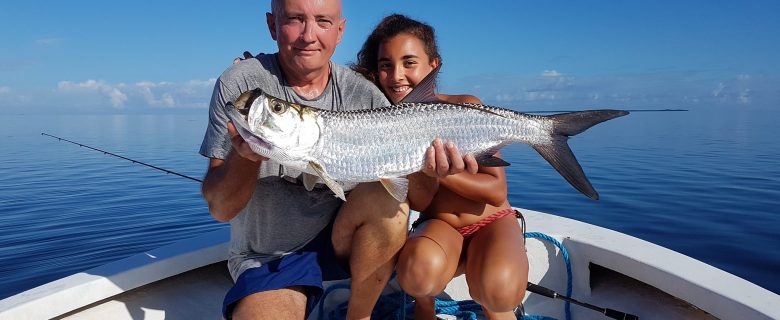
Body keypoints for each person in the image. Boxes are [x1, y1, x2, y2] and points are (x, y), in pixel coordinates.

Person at [201, 1, 477, 319]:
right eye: (294, 19)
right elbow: (221, 209)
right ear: (272, 25)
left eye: (323, 21)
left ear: (340, 30)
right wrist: (245, 158)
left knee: (389, 201)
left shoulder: (365, 94)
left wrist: (429, 169)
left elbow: (416, 196)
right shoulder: (241, 86)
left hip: (345, 244)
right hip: (269, 257)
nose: (309, 35)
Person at [352, 14, 529, 319]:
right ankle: (425, 306)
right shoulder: (382, 127)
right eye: (386, 66)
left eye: (409, 63)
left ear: (434, 65)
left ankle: (491, 303)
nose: (396, 76)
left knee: (498, 292)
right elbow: (420, 201)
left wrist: (441, 173)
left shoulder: (466, 107)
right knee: (417, 274)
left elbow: (496, 191)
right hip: (441, 228)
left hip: (493, 221)